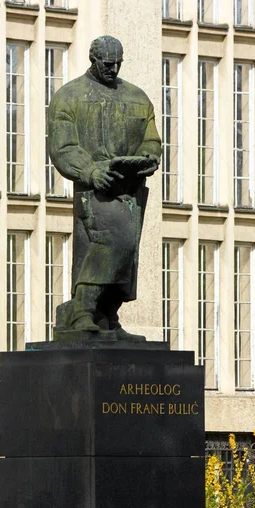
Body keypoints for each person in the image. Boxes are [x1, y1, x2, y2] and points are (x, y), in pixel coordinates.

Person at [48, 35, 161, 340]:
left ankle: (107, 317)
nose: (113, 69)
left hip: (130, 189)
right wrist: (91, 171)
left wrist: (150, 156)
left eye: (117, 64)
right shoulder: (69, 96)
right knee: (112, 242)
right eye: (107, 64)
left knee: (127, 252)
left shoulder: (137, 97)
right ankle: (82, 309)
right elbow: (63, 146)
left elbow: (151, 138)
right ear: (93, 60)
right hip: (94, 188)